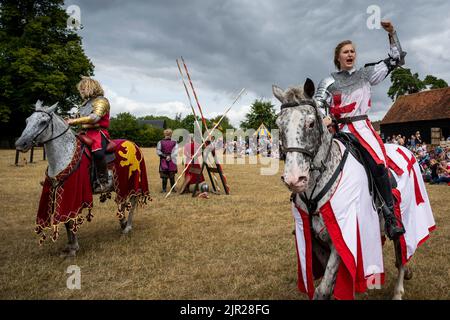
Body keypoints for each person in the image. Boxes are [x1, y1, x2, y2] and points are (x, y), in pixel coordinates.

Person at [313, 20, 406, 240]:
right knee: (315, 164)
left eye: (353, 51)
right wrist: (325, 118)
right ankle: (313, 214)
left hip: (362, 129)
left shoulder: (366, 74)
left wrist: (392, 33)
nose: (350, 54)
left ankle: (389, 216)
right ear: (338, 57)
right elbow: (316, 105)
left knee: (377, 164)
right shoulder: (328, 81)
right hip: (338, 129)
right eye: (345, 51)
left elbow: (396, 59)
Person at [67, 77, 112, 193]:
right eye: (80, 89)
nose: (81, 91)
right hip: (84, 133)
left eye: (83, 88)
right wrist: (66, 120)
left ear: (91, 87)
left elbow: (94, 118)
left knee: (98, 153)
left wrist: (73, 121)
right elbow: (77, 117)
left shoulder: (101, 101)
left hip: (98, 133)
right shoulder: (85, 104)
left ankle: (103, 180)